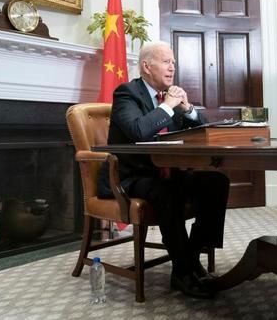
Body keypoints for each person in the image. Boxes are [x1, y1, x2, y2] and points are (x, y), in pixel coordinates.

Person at [97, 41, 230, 299]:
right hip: (132, 177)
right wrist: (167, 106)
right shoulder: (127, 93)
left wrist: (188, 110)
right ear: (147, 66)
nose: (172, 68)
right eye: (166, 62)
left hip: (168, 172)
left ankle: (191, 257)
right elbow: (138, 130)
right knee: (168, 192)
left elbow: (203, 131)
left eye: (174, 63)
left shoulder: (169, 97)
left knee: (216, 181)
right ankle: (183, 271)